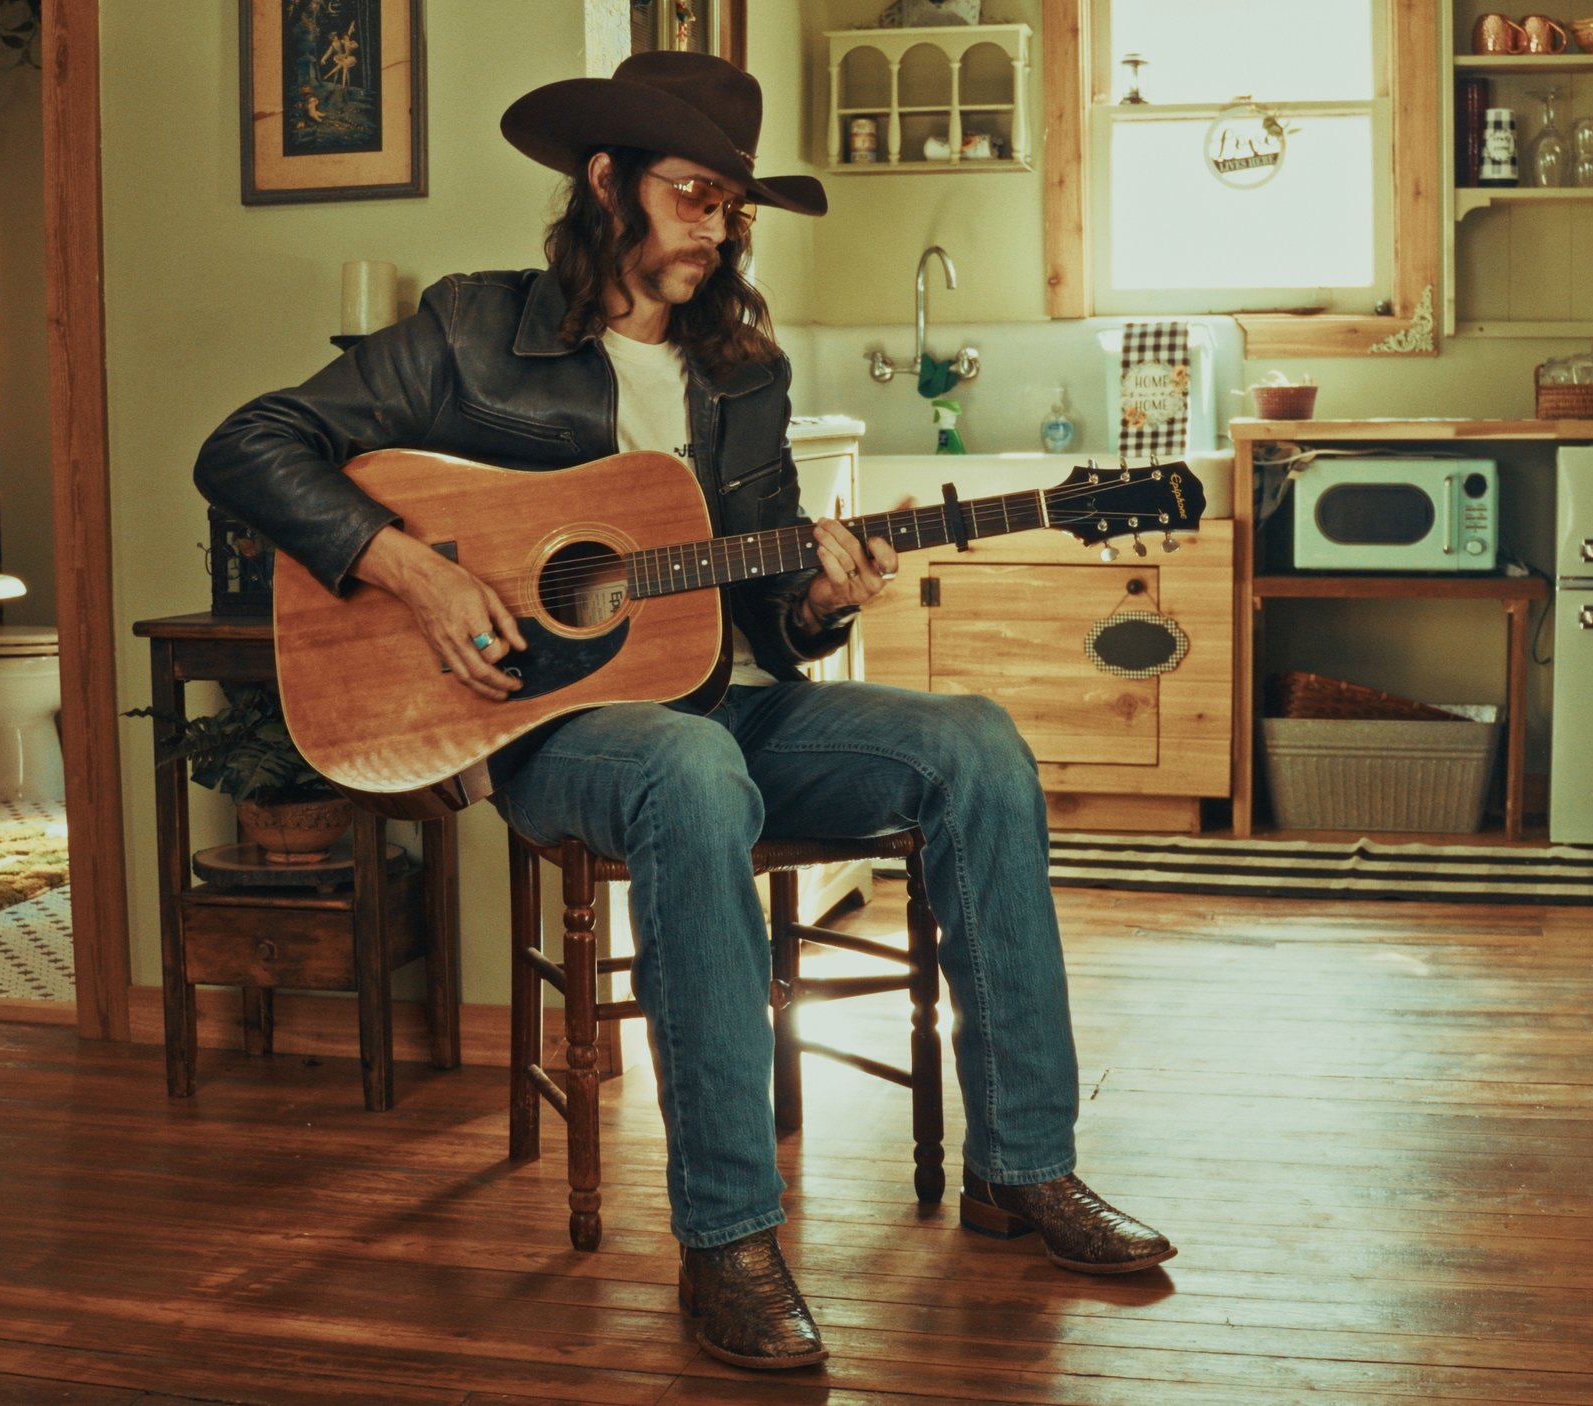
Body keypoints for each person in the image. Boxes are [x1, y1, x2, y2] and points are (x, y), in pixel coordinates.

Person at [194, 51, 1173, 1372]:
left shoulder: (743, 373)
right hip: (556, 733)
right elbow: (245, 446)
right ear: (606, 183)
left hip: (726, 705)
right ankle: (729, 1239)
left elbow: (764, 606)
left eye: (732, 205)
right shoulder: (474, 330)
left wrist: (820, 599)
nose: (717, 227)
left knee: (976, 744)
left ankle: (1023, 1165)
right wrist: (418, 571)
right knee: (689, 769)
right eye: (693, 195)